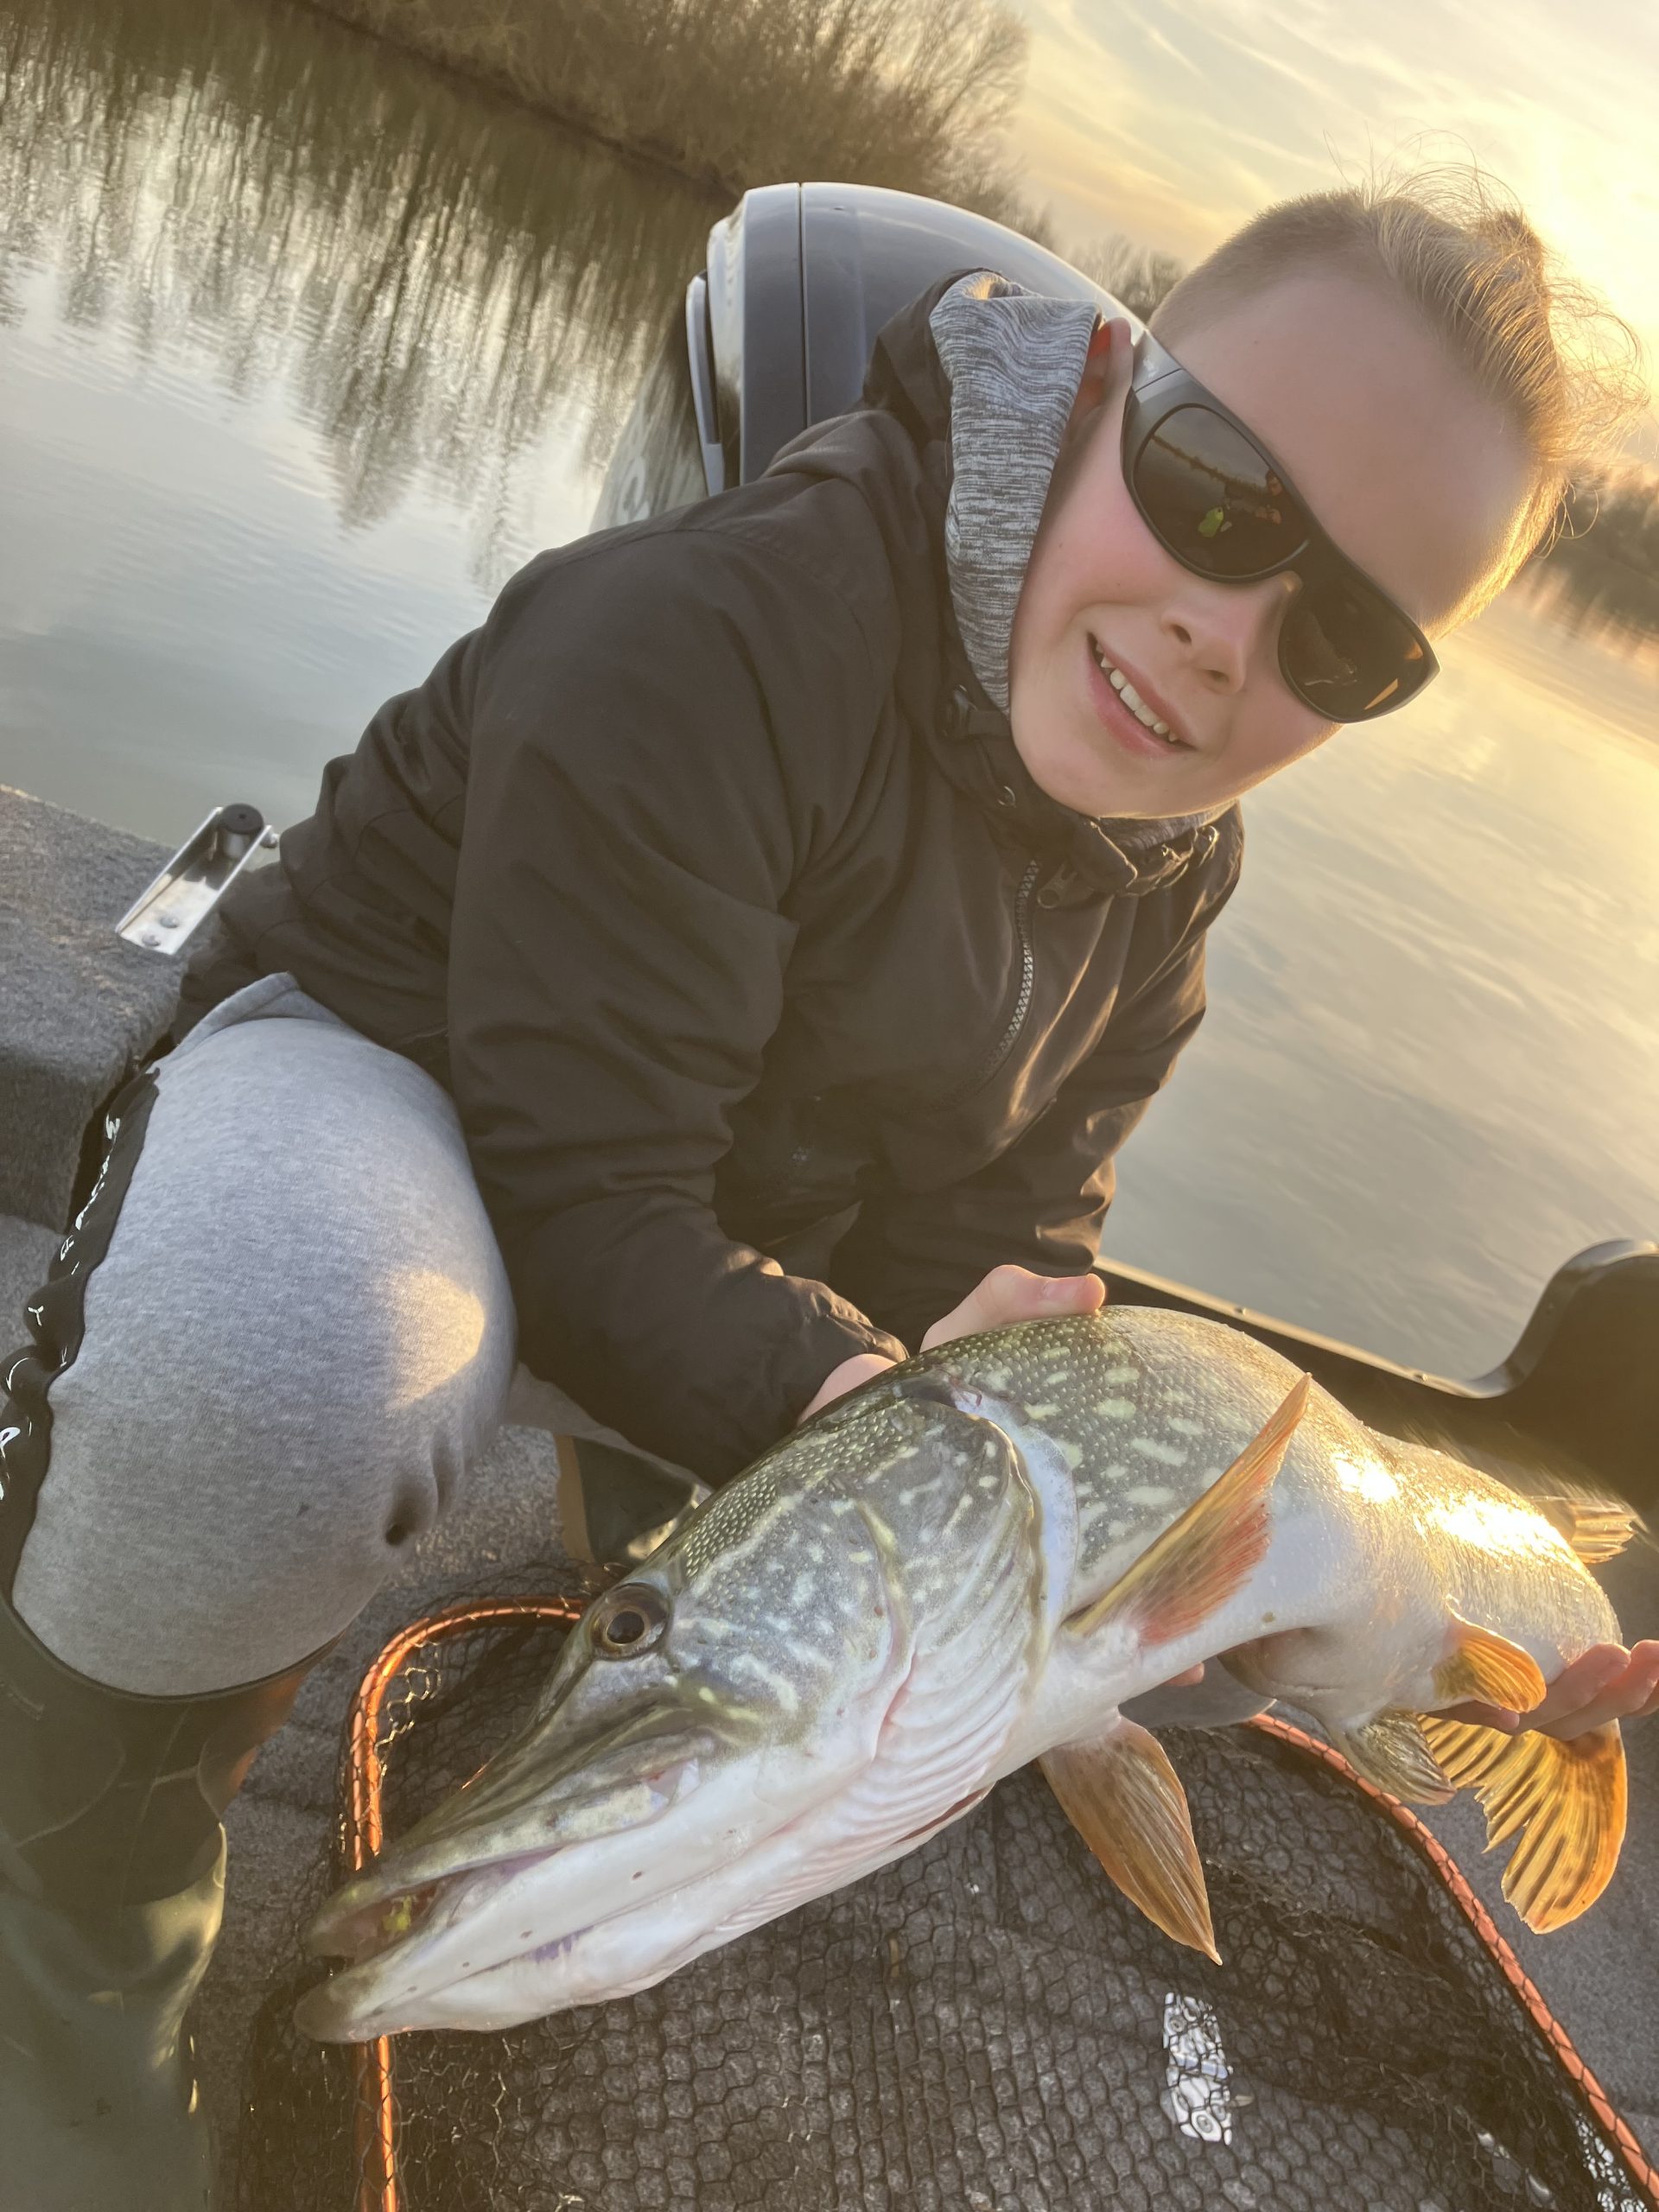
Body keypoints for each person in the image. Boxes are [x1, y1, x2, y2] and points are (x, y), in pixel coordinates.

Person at [1, 164, 1654, 2209]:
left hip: (731, 1256)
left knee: (955, 1565)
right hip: (402, 1081)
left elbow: (1006, 1252)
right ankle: (72, 1936)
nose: (1227, 634)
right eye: (1218, 491)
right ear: (1105, 384)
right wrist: (887, 1421)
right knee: (281, 1335)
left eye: (1350, 639)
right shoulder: (715, 625)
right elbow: (588, 1185)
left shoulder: (1166, 888)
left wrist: (1246, 1615)